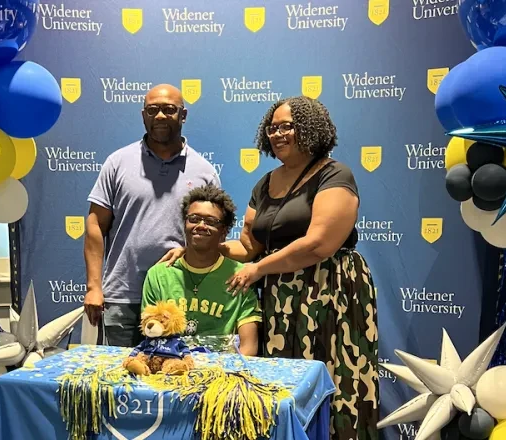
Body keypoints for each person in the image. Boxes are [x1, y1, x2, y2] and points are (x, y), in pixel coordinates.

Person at [161, 96, 378, 440]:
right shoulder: (264, 184)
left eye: (287, 126)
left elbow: (320, 243)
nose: (277, 133)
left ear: (310, 128)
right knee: (282, 386)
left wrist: (260, 269)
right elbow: (248, 247)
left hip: (329, 293)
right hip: (282, 299)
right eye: (272, 127)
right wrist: (202, 248)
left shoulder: (335, 174)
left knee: (334, 381)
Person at [83, 84, 220, 348]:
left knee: (174, 379)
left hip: (178, 298)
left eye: (169, 110)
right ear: (143, 115)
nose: (160, 116)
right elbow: (95, 225)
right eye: (152, 109)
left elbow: (212, 230)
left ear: (183, 115)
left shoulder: (205, 171)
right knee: (120, 380)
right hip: (122, 297)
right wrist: (93, 287)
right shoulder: (117, 162)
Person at [142, 184, 260, 356]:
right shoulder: (159, 275)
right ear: (184, 224)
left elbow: (248, 347)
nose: (201, 225)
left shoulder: (240, 275)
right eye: (194, 218)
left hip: (222, 374)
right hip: (171, 367)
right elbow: (151, 335)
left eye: (211, 221)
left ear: (224, 231)